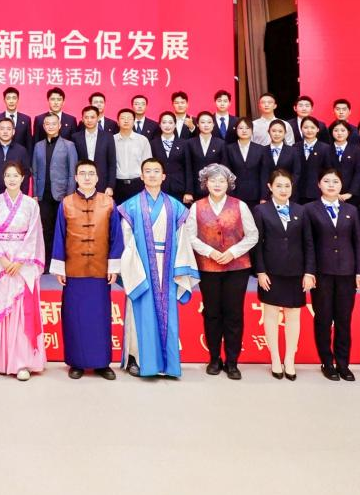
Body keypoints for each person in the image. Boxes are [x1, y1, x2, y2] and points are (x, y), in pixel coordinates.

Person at [117, 158, 201, 379]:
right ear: (141, 176)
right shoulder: (131, 206)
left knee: (167, 315)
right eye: (148, 171)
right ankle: (136, 359)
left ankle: (168, 363)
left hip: (168, 265)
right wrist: (133, 269)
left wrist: (179, 268)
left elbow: (182, 239)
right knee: (138, 313)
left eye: (156, 171)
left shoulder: (175, 206)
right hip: (140, 265)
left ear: (164, 176)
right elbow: (126, 240)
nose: (152, 175)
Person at [48, 159, 123, 380]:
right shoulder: (66, 203)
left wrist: (114, 266)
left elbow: (116, 237)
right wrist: (59, 267)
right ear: (76, 178)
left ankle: (102, 363)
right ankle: (76, 362)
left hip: (100, 270)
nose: (87, 177)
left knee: (100, 317)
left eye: (91, 173)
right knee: (75, 317)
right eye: (83, 173)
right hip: (74, 270)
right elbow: (59, 236)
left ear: (97, 178)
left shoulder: (108, 203)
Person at [183, 163, 258, 380]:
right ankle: (214, 359)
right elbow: (190, 236)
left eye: (222, 180)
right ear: (205, 183)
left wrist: (233, 252)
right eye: (213, 180)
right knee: (212, 313)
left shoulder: (240, 206)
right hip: (208, 268)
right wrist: (210, 252)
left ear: (229, 184)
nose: (217, 184)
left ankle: (232, 362)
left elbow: (252, 235)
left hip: (237, 268)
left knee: (234, 314)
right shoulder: (197, 207)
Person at [0, 162, 46, 381]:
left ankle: (22, 362)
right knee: (1, 309)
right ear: (3, 178)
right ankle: (0, 360)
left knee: (21, 312)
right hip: (0, 262)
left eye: (16, 175)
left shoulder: (31, 205)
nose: (12, 179)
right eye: (8, 175)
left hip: (23, 264)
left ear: (23, 178)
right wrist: (3, 260)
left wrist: (20, 260)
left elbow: (35, 234)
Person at [303, 169, 360, 382]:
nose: (331, 185)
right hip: (321, 272)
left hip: (347, 272)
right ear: (319, 184)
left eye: (335, 181)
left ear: (341, 185)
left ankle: (343, 363)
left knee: (343, 319)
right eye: (326, 181)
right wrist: (309, 271)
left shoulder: (352, 210)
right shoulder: (309, 209)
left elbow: (359, 242)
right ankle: (326, 362)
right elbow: (308, 243)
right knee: (323, 318)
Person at [251, 169, 314, 380]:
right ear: (270, 187)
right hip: (270, 272)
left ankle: (290, 359)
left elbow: (308, 243)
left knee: (293, 315)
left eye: (287, 186)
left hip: (296, 272)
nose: (283, 190)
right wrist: (260, 271)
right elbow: (257, 244)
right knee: (270, 315)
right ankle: (275, 358)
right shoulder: (261, 210)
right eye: (278, 186)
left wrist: (309, 272)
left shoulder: (301, 210)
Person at [32, 113, 77, 263]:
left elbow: (72, 173)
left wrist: (69, 195)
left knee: (63, 228)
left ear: (59, 126)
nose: (50, 126)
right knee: (46, 229)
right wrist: (35, 193)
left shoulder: (69, 145)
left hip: (62, 195)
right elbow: (35, 171)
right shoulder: (38, 146)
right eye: (47, 124)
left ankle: (62, 261)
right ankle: (46, 261)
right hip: (43, 195)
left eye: (54, 124)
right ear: (44, 126)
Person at [0, 117, 32, 201]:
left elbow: (26, 175)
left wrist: (23, 195)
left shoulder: (22, 150)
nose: (5, 132)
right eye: (2, 129)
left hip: (15, 195)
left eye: (8, 129)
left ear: (13, 131)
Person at [222, 117, 270, 205]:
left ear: (252, 130)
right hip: (234, 194)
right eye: (241, 128)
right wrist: (228, 193)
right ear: (236, 130)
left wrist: (264, 196)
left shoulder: (260, 149)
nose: (244, 131)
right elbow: (226, 173)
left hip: (256, 195)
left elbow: (264, 175)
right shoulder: (229, 149)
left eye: (247, 128)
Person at [73, 105, 117, 197]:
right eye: (86, 117)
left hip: (102, 183)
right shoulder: (75, 137)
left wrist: (110, 186)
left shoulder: (108, 137)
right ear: (82, 119)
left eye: (92, 117)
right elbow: (74, 162)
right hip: (81, 182)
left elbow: (112, 163)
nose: (89, 120)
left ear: (98, 118)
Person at [182, 112, 225, 205]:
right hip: (195, 189)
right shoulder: (189, 143)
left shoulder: (221, 143)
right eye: (203, 122)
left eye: (209, 122)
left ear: (213, 124)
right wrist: (189, 191)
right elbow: (188, 168)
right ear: (197, 124)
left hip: (215, 188)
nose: (206, 125)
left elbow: (224, 169)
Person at [112, 109, 151, 204]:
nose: (126, 121)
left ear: (134, 122)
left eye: (129, 118)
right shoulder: (111, 140)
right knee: (119, 211)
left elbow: (148, 164)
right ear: (118, 122)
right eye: (123, 118)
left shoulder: (143, 140)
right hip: (117, 185)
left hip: (138, 184)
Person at [151, 112, 187, 202]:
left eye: (170, 123)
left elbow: (188, 168)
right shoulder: (153, 143)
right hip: (158, 186)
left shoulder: (184, 144)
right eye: (164, 122)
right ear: (159, 125)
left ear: (175, 125)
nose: (167, 125)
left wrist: (189, 191)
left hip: (179, 187)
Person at [326, 120, 360, 202]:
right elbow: (323, 171)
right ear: (331, 132)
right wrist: (334, 193)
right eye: (336, 130)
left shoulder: (356, 150)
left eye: (343, 130)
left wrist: (351, 193)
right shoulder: (326, 149)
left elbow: (359, 172)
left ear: (348, 132)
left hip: (350, 195)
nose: (339, 133)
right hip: (329, 192)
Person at [294, 117, 327, 204]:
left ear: (318, 129)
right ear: (301, 129)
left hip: (318, 192)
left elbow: (328, 171)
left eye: (312, 127)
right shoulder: (294, 147)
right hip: (297, 192)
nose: (309, 130)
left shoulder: (325, 148)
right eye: (306, 127)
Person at [264, 119, 300, 192]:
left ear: (285, 133)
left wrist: (288, 188)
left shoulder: (293, 151)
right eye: (274, 131)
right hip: (268, 192)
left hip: (287, 191)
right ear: (269, 132)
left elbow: (296, 173)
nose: (277, 134)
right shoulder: (262, 151)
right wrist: (264, 193)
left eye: (280, 131)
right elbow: (262, 175)